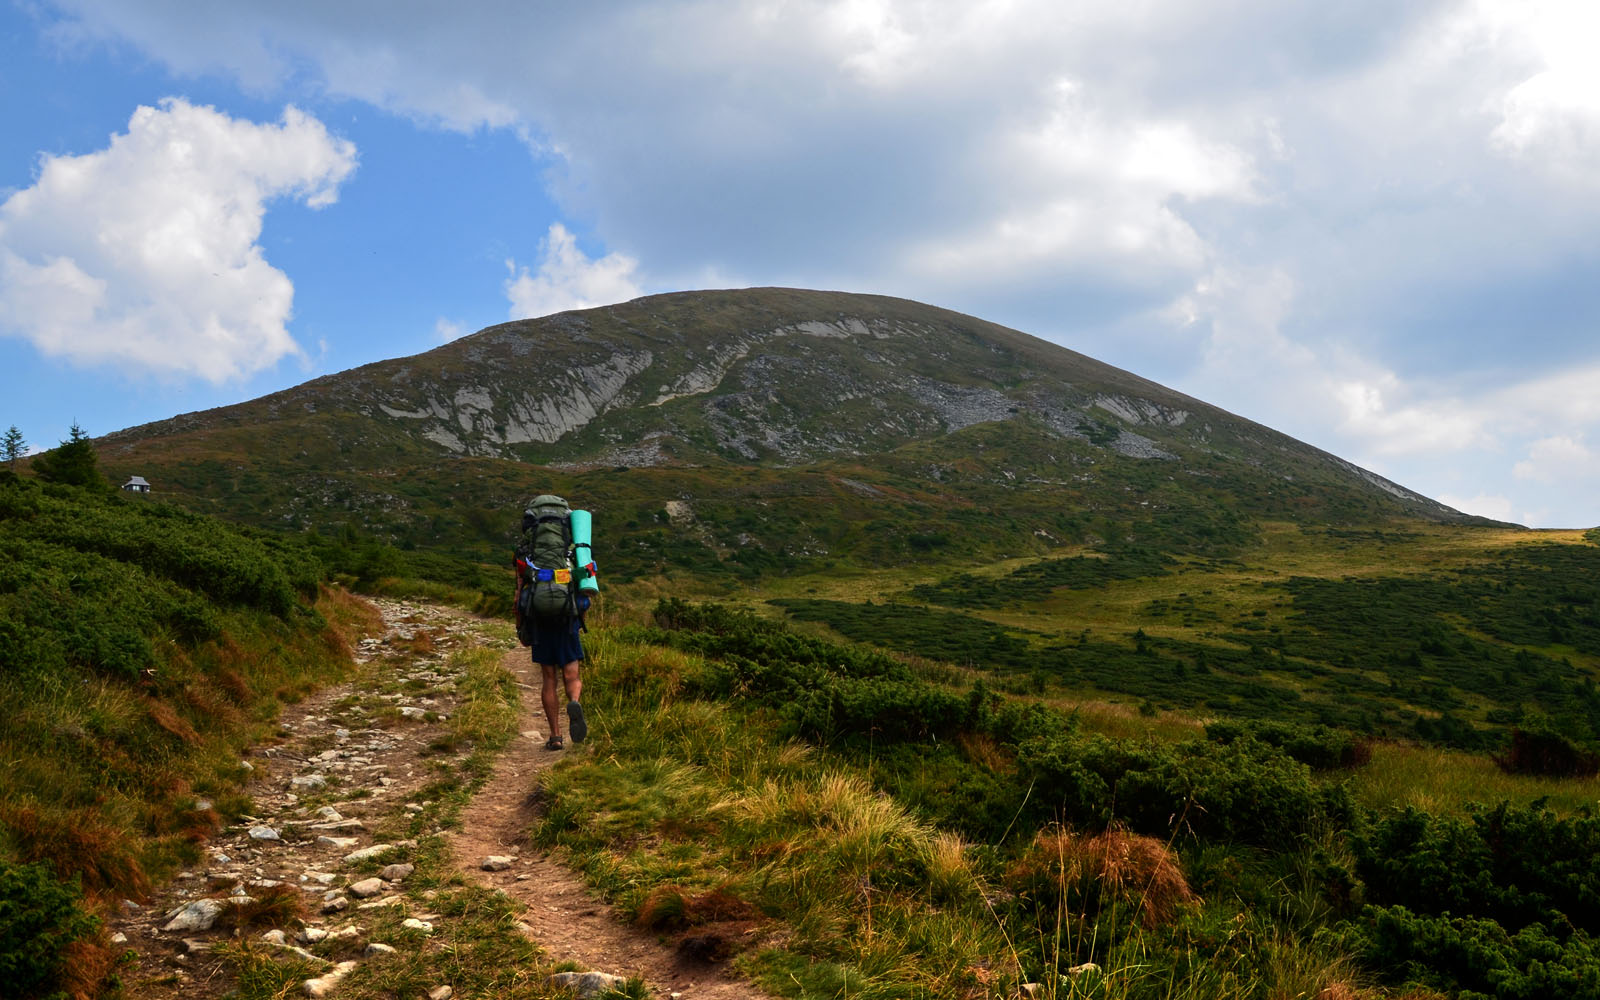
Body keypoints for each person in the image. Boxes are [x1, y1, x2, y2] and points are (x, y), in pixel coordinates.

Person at [514, 496, 591, 751]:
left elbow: (518, 594)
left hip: (540, 616)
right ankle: (575, 701)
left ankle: (555, 736)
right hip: (567, 616)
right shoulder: (572, 553)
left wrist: (519, 625)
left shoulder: (525, 555)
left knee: (549, 678)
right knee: (572, 673)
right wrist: (580, 620)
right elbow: (586, 587)